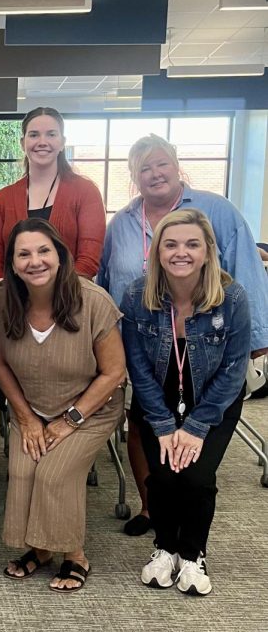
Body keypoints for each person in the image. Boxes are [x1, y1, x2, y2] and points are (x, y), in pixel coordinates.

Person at [99, 132, 268, 536]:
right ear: (134, 177)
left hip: (206, 343)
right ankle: (150, 507)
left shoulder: (217, 211)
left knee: (197, 423)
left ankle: (187, 509)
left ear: (177, 166)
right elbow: (106, 283)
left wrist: (259, 339)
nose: (154, 174)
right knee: (142, 422)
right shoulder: (122, 223)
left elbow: (246, 274)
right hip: (138, 344)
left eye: (162, 164)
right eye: (144, 168)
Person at [0, 219, 126, 593]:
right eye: (24, 254)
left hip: (92, 409)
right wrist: (27, 419)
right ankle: (41, 549)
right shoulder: (0, 302)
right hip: (32, 409)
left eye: (44, 250)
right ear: (12, 264)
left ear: (61, 256)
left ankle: (74, 554)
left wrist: (70, 420)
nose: (35, 261)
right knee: (24, 471)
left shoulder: (93, 301)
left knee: (53, 473)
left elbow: (113, 372)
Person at [120, 209, 250, 596]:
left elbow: (234, 368)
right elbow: (138, 367)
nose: (181, 253)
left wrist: (195, 427)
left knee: (195, 476)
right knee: (162, 475)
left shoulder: (231, 297)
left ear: (208, 251)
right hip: (155, 400)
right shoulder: (136, 295)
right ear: (157, 251)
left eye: (192, 244)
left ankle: (193, 554)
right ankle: (165, 547)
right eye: (171, 244)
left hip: (214, 402)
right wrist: (162, 425)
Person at [0, 106, 106, 284]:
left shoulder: (86, 192)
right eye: (34, 135)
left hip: (70, 301)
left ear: (62, 142)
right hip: (15, 305)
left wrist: (51, 300)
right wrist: (8, 301)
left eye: (51, 134)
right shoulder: (1, 200)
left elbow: (88, 261)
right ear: (22, 143)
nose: (42, 141)